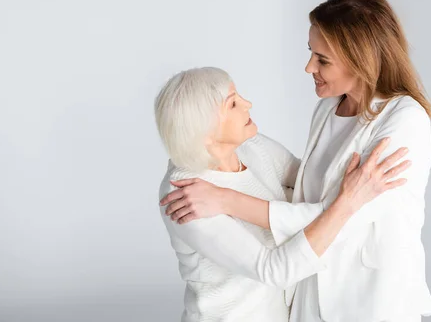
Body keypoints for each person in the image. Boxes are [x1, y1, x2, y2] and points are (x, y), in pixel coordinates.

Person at [162, 0, 431, 322]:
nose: (309, 67)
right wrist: (343, 201)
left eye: (323, 60)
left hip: (368, 298)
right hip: (308, 293)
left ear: (361, 60)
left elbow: (341, 217)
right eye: (312, 53)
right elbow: (313, 199)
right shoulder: (327, 110)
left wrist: (226, 200)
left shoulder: (403, 119)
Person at [155, 66, 411, 322]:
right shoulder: (185, 194)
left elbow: (308, 185)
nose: (248, 104)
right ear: (205, 129)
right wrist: (347, 203)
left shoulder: (251, 147)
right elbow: (274, 270)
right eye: (233, 104)